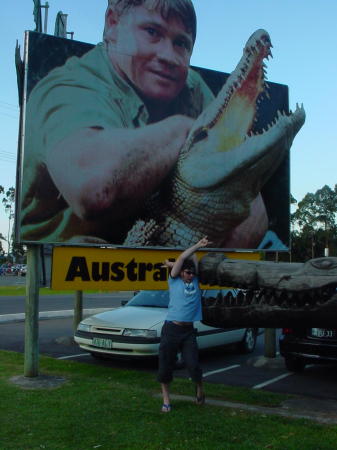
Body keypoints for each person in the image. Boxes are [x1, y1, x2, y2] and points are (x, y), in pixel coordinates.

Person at [20, 0, 268, 247]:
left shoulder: (191, 87)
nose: (169, 56)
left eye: (181, 43)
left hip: (171, 261)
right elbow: (94, 190)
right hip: (68, 264)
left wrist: (192, 266)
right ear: (113, 24)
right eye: (152, 32)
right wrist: (183, 130)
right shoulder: (69, 86)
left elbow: (251, 213)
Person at [157, 236, 209, 412]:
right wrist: (196, 245)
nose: (191, 275)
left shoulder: (195, 281)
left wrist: (197, 247)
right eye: (187, 272)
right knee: (166, 365)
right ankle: (166, 399)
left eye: (192, 272)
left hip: (188, 331)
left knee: (193, 365)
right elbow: (181, 260)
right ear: (180, 273)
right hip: (171, 329)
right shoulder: (174, 280)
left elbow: (192, 260)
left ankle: (200, 389)